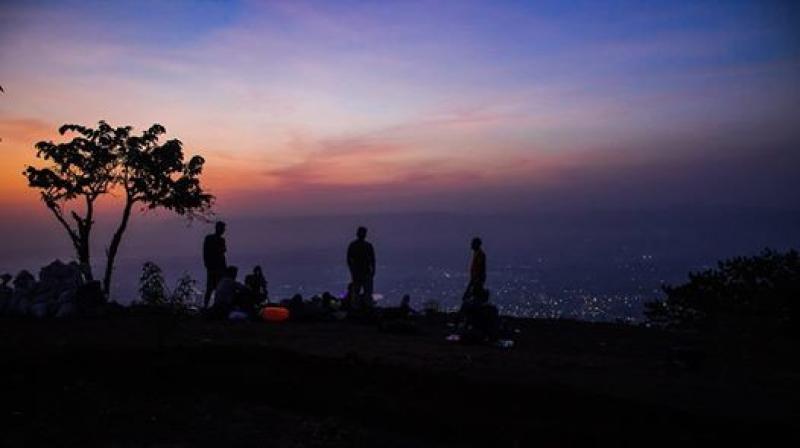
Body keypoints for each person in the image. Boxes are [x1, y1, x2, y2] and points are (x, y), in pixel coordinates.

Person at [347, 226, 376, 308]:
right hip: (361, 273)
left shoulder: (356, 245)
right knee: (359, 292)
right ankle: (362, 308)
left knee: (363, 292)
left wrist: (373, 271)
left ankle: (363, 308)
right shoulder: (364, 245)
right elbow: (349, 259)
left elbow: (372, 259)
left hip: (363, 272)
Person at [203, 221, 227, 309]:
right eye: (222, 228)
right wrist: (208, 264)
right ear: (217, 228)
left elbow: (223, 255)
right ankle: (207, 306)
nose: (223, 230)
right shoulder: (210, 238)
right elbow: (206, 252)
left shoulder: (221, 240)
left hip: (219, 267)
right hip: (213, 267)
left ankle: (215, 307)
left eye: (223, 229)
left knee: (218, 288)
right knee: (210, 288)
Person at [462, 237, 486, 304]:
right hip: (476, 278)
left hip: (477, 278)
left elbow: (479, 268)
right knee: (473, 293)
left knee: (475, 293)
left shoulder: (480, 254)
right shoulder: (477, 254)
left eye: (473, 244)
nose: (471, 245)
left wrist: (475, 278)